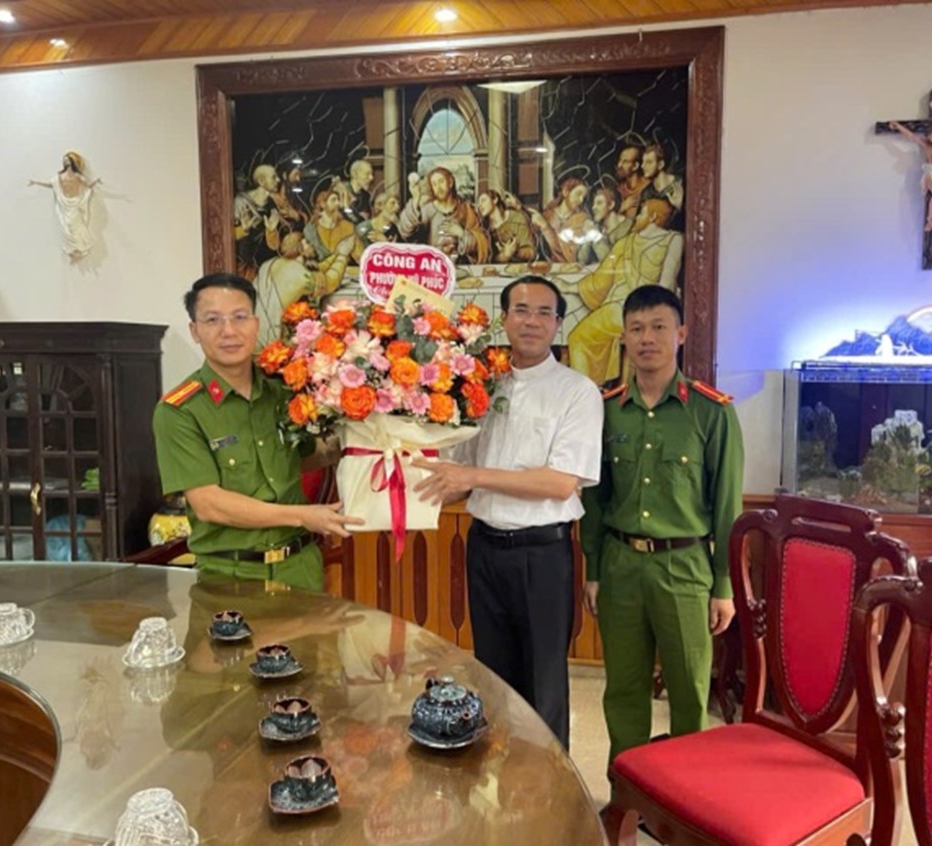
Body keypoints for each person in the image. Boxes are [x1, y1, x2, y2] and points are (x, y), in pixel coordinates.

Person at [411, 276, 603, 748]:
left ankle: (549, 785)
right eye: (521, 310)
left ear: (558, 323)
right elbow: (457, 468)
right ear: (504, 318)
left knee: (543, 684)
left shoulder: (577, 392)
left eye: (543, 312)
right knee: (493, 677)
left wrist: (472, 477)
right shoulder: (479, 386)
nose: (531, 321)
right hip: (484, 547)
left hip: (542, 555)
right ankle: (500, 777)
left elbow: (560, 483)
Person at [580, 284, 744, 767]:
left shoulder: (711, 411)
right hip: (620, 567)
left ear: (681, 335)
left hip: (685, 568)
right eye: (636, 328)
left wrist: (724, 585)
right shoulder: (607, 409)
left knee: (689, 693)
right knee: (623, 691)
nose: (647, 338)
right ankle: (627, 795)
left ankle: (684, 800)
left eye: (658, 327)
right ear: (624, 338)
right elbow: (595, 498)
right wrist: (593, 570)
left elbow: (727, 506)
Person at [152, 273, 362, 592]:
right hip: (231, 577)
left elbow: (304, 458)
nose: (229, 331)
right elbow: (209, 503)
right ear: (195, 331)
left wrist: (360, 440)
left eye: (239, 317)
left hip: (300, 569)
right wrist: (303, 516)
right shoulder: (179, 410)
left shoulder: (284, 389)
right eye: (213, 320)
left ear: (255, 323)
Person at [565, 198, 684, 384]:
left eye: (641, 213)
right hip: (627, 309)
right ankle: (591, 391)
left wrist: (653, 319)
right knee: (578, 336)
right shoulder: (628, 242)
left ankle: (585, 390)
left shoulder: (672, 239)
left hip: (625, 310)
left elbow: (666, 284)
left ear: (653, 217)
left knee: (578, 338)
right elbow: (602, 278)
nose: (636, 218)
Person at [398, 166, 489, 264]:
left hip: (461, 267)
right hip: (434, 267)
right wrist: (416, 199)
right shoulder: (427, 210)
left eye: (441, 181)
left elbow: (482, 242)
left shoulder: (466, 210)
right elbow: (406, 233)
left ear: (450, 182)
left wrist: (461, 233)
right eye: (434, 184)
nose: (438, 187)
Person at [28, 151, 101, 261]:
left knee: (74, 225)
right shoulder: (59, 176)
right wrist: (36, 182)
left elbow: (88, 185)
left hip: (74, 203)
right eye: (65, 160)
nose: (66, 161)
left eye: (68, 159)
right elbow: (51, 184)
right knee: (65, 226)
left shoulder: (77, 176)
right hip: (64, 203)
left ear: (73, 161)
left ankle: (78, 247)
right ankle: (71, 249)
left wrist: (96, 182)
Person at [477, 189, 536, 263]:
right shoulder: (484, 228)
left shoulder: (516, 218)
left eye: (483, 200)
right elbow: (487, 259)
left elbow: (531, 252)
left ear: (495, 199)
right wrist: (504, 255)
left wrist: (515, 252)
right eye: (478, 203)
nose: (480, 205)